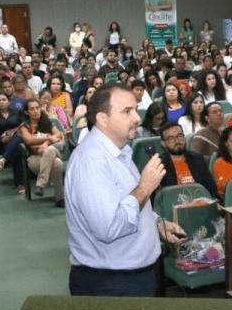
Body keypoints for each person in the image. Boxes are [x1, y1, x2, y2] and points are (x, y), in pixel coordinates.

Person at [65, 84, 187, 296]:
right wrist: (144, 188)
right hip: (111, 283)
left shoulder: (119, 152)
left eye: (135, 109)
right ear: (103, 119)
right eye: (127, 111)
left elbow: (125, 202)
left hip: (131, 276)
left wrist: (156, 221)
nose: (137, 118)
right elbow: (110, 227)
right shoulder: (91, 160)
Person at [19, 98, 65, 206]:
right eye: (32, 109)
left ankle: (41, 184)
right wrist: (49, 138)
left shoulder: (47, 121)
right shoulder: (24, 126)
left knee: (49, 150)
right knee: (57, 163)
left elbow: (58, 134)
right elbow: (29, 140)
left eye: (37, 108)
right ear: (26, 112)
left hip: (53, 152)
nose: (36, 111)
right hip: (35, 158)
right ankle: (60, 199)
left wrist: (45, 144)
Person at [157, 122, 219, 199]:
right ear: (163, 143)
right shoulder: (159, 165)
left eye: (179, 136)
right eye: (171, 139)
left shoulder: (197, 158)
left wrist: (216, 201)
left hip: (200, 202)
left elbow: (210, 186)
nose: (177, 141)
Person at [0, 92, 26, 194]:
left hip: (19, 140)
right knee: (18, 151)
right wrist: (0, 138)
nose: (1, 102)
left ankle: (3, 161)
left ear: (8, 102)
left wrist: (10, 132)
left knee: (17, 138)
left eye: (4, 100)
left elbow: (25, 125)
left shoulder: (17, 112)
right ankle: (20, 184)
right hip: (1, 145)